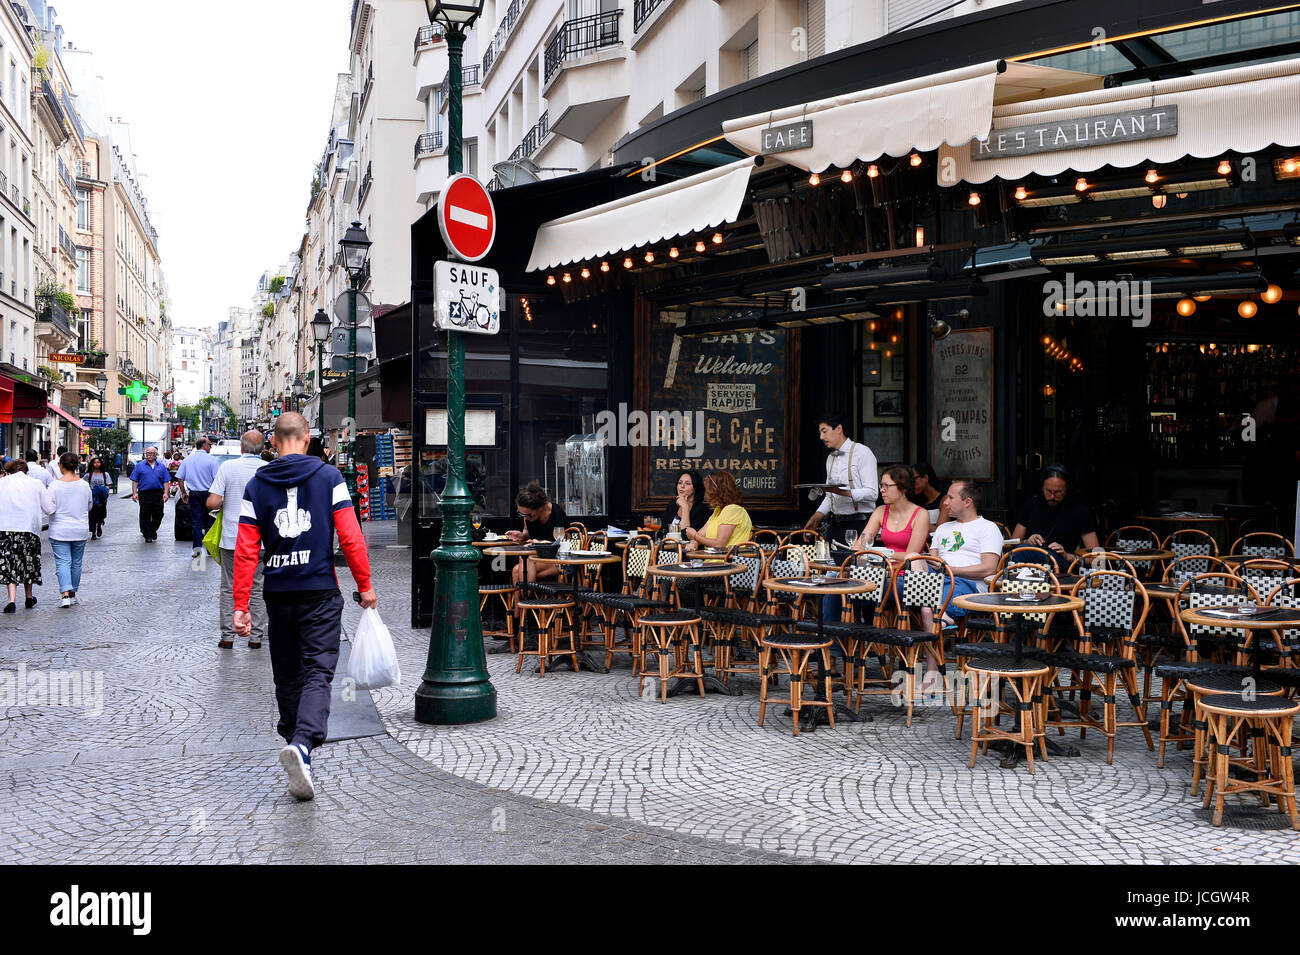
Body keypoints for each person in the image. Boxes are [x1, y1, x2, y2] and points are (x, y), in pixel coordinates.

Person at [232, 413, 375, 802]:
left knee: (287, 675)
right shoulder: (330, 478)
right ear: (309, 440)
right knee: (317, 672)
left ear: (273, 443)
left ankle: (298, 746)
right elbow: (350, 536)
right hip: (319, 592)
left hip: (278, 594)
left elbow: (246, 550)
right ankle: (303, 745)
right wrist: (365, 586)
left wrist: (241, 605)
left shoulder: (257, 485)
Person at [207, 431, 269, 650]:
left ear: (241, 448)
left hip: (232, 538)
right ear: (263, 449)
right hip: (261, 540)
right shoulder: (268, 470)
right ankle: (256, 636)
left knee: (228, 587)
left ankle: (227, 636)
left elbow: (213, 502)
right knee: (258, 587)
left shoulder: (227, 468)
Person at [924, 480, 1004, 626]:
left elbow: (989, 569)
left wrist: (950, 571)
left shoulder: (988, 528)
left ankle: (938, 624)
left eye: (950, 498)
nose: (945, 503)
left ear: (967, 502)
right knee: (905, 570)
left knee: (950, 593)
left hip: (968, 584)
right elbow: (933, 558)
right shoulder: (942, 528)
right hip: (936, 579)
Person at [802, 412, 878, 542]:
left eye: (824, 431)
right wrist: (816, 517)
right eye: (820, 432)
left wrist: (842, 492)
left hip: (860, 525)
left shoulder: (862, 452)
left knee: (856, 562)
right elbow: (830, 495)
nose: (821, 437)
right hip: (836, 525)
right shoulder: (830, 458)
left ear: (839, 429)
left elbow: (873, 493)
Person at [1010, 464, 1099, 572]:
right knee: (1019, 552)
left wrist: (1067, 556)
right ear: (1042, 488)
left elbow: (1096, 560)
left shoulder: (1080, 512)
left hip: (1061, 565)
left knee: (1021, 553)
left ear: (1066, 490)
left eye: (1058, 492)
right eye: (1048, 491)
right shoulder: (1032, 505)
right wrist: (1027, 541)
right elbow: (1012, 544)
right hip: (1029, 563)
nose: (1052, 496)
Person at [41, 452, 92, 608]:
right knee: (76, 563)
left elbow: (49, 509)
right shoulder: (84, 485)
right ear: (77, 466)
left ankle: (65, 595)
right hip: (80, 529)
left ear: (61, 466)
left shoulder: (55, 485)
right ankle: (73, 593)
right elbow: (89, 505)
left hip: (60, 529)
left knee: (63, 562)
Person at [854, 466, 932, 555]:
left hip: (908, 567)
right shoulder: (880, 511)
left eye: (887, 486)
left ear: (903, 487)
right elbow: (859, 545)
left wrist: (879, 554)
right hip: (884, 566)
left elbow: (912, 555)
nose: (882, 490)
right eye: (881, 485)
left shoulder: (921, 514)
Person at [0, 460, 44, 612]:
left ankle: (11, 600)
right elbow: (49, 506)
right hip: (28, 528)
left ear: (8, 471)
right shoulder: (35, 483)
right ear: (27, 472)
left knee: (10, 563)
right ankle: (29, 597)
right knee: (28, 562)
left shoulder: (2, 483)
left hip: (5, 527)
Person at [506, 482, 568, 588]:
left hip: (559, 560)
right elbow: (527, 533)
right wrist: (522, 535)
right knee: (517, 570)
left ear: (540, 508)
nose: (525, 518)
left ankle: (526, 600)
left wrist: (540, 543)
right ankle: (522, 603)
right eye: (521, 514)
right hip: (538, 558)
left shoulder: (556, 513)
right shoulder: (529, 518)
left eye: (528, 515)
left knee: (525, 560)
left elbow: (565, 543)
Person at [684, 471, 753, 552]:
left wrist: (695, 536)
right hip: (712, 560)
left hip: (727, 562)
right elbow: (700, 534)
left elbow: (719, 544)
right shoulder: (718, 510)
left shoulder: (732, 510)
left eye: (708, 489)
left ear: (716, 491)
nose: (706, 494)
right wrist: (693, 543)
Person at [176, 436, 221, 556]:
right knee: (210, 521)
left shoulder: (188, 460)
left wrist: (183, 492)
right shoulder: (212, 460)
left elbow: (180, 477)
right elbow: (217, 479)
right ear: (204, 445)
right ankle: (210, 550)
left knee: (196, 522)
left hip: (194, 494)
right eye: (209, 445)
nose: (210, 447)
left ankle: (196, 549)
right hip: (209, 493)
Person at [129, 447, 172, 542]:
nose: (150, 454)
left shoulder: (161, 466)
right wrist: (134, 493)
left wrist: (166, 493)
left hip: (158, 493)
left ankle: (153, 529)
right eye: (148, 453)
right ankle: (147, 534)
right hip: (144, 493)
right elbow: (135, 480)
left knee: (159, 513)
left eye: (152, 453)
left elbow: (165, 481)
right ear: (145, 454)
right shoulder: (139, 466)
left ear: (156, 454)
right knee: (145, 514)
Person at [659, 469, 710, 537]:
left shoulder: (702, 510)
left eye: (687, 483)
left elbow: (687, 537)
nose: (682, 486)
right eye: (680, 483)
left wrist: (685, 507)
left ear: (695, 487)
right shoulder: (672, 505)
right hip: (669, 546)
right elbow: (663, 531)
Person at [908, 463, 949, 527]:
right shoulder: (914, 501)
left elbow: (940, 530)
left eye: (913, 479)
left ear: (925, 478)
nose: (911, 484)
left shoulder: (944, 500)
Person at [85, 456, 111, 538]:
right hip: (92, 497)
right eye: (95, 462)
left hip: (102, 498)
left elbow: (109, 484)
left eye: (98, 462)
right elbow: (83, 485)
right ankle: (93, 532)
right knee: (92, 514)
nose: (97, 464)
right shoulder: (88, 475)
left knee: (101, 513)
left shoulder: (105, 474)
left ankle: (99, 525)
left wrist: (104, 490)